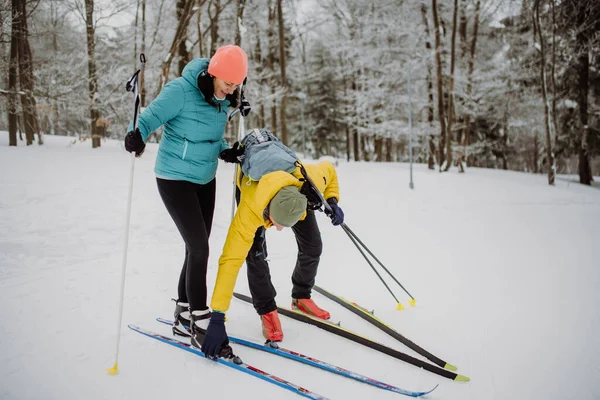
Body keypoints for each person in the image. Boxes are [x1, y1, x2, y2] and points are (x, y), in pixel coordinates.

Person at [123, 44, 249, 355]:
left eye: (236, 84)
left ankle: (181, 313)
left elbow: (211, 136)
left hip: (205, 179)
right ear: (213, 73)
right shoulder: (180, 90)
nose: (231, 89)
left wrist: (224, 150)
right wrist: (134, 135)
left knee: (196, 247)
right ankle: (200, 322)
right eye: (227, 82)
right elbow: (147, 118)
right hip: (174, 178)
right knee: (200, 247)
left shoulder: (224, 100)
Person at [200, 153, 345, 359]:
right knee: (256, 254)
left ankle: (301, 296)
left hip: (290, 188)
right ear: (269, 214)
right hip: (253, 183)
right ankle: (266, 310)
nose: (279, 230)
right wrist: (217, 315)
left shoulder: (307, 180)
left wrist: (332, 199)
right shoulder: (250, 212)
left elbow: (329, 170)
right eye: (277, 224)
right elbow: (230, 261)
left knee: (313, 244)